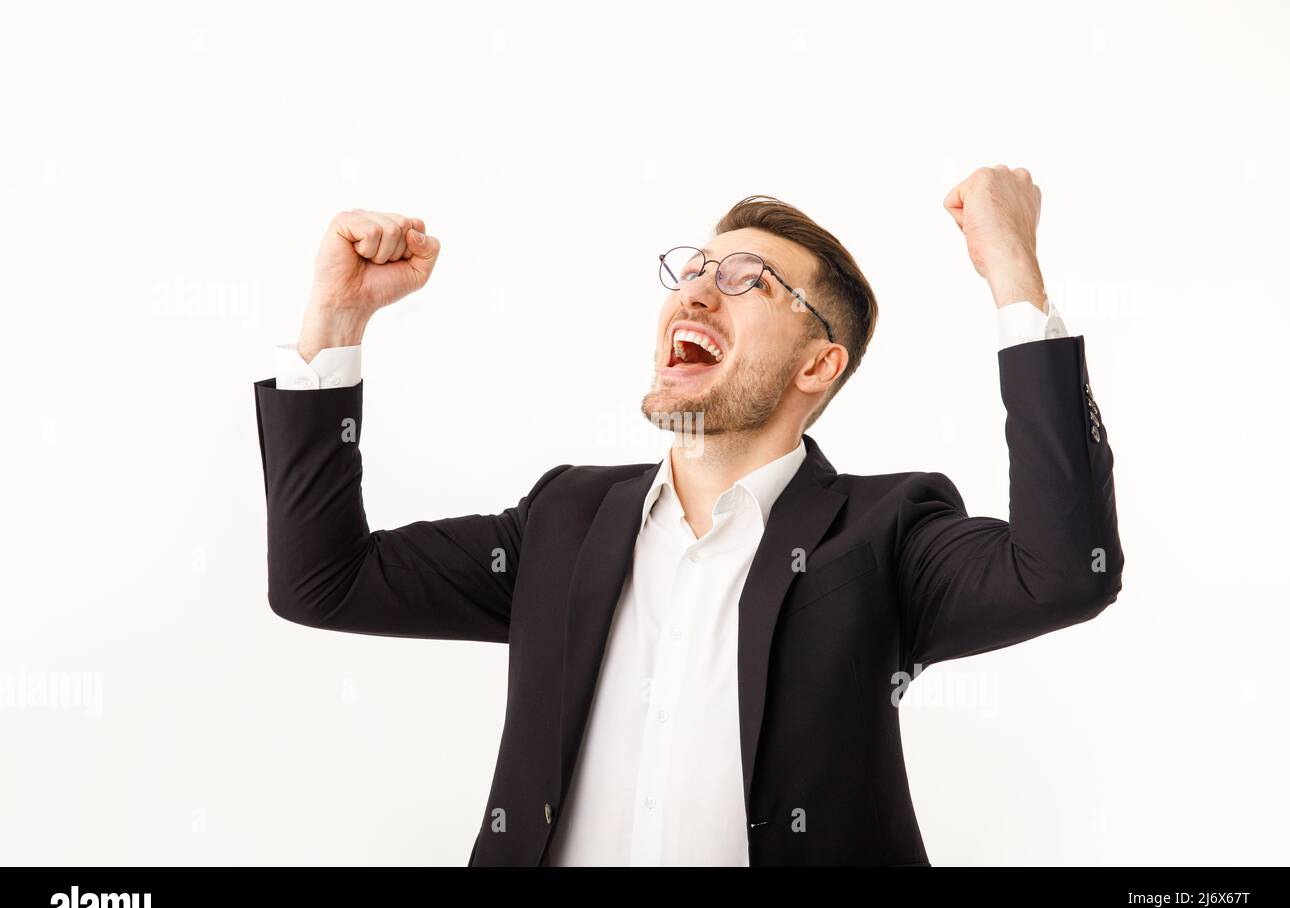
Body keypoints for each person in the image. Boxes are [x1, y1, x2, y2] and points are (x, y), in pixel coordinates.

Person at [253, 167, 1123, 866]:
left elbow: (1064, 572)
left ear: (818, 364)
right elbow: (321, 583)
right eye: (693, 272)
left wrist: (1013, 270)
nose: (697, 294)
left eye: (748, 283)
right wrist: (338, 318)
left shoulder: (885, 533)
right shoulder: (563, 520)